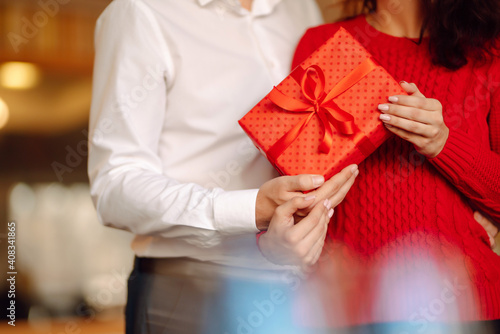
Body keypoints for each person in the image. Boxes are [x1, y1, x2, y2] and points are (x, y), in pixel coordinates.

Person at [88, 0, 364, 333]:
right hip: (187, 290)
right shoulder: (141, 11)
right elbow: (114, 185)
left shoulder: (299, 8)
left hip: (296, 293)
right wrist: (250, 209)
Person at [291, 0, 500, 332]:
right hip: (347, 307)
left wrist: (444, 143)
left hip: (469, 304)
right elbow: (297, 192)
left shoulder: (489, 51)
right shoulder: (325, 42)